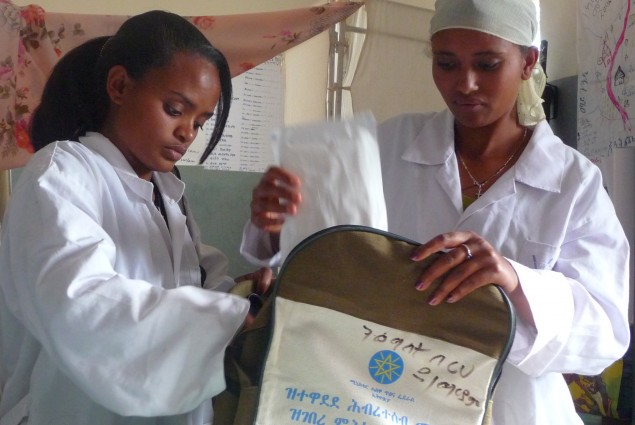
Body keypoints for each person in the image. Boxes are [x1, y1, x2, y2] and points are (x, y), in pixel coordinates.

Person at [240, 0, 631, 424]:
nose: (464, 84)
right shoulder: (383, 146)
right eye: (446, 64)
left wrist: (516, 283)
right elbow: (322, 258)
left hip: (516, 410)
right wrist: (276, 225)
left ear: (527, 62)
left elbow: (605, 334)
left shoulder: (573, 182)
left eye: (487, 64)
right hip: (380, 394)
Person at [0, 10, 272, 425]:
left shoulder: (167, 194)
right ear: (120, 86)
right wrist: (222, 322)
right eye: (174, 109)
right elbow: (80, 304)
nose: (188, 133)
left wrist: (244, 297)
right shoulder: (61, 174)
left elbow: (191, 284)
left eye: (200, 122)